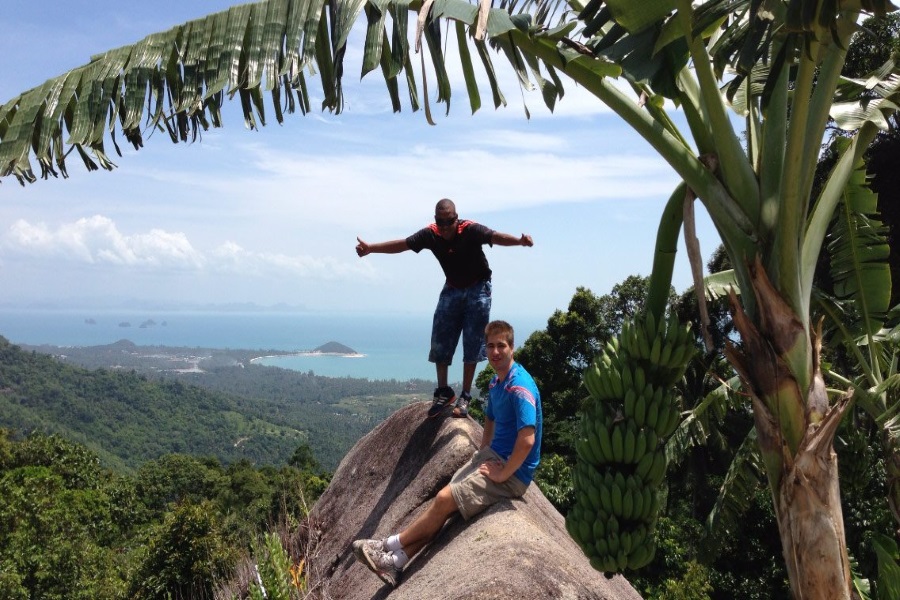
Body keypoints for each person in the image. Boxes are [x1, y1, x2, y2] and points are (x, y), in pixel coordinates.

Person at [351, 320, 542, 587]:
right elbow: (490, 419)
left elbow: (527, 440)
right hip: (494, 459)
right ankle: (397, 563)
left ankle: (386, 546)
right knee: (444, 505)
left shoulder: (518, 386)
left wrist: (504, 473)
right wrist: (483, 454)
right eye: (490, 346)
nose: (496, 352)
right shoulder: (496, 383)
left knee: (443, 499)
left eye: (502, 346)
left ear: (512, 348)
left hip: (512, 474)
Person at [355, 199, 533, 418]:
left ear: (456, 218)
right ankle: (443, 391)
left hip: (478, 287)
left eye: (448, 221)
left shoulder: (470, 229)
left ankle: (465, 395)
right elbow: (403, 244)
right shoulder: (431, 234)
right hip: (452, 287)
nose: (445, 227)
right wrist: (371, 249)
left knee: (473, 341)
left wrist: (519, 241)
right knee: (440, 337)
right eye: (440, 222)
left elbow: (494, 236)